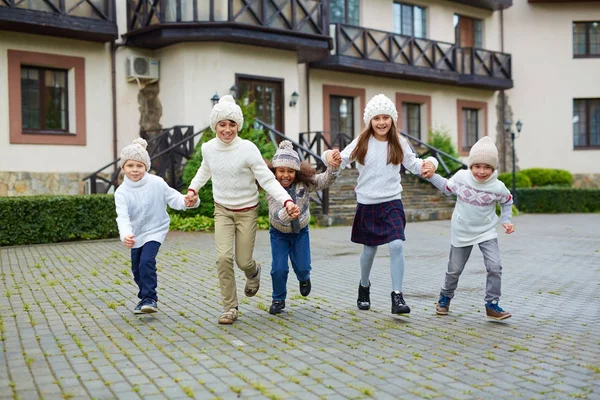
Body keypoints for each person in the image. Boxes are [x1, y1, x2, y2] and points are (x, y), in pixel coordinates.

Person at [184, 95, 299, 325]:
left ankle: (253, 272)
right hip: (222, 210)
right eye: (222, 124)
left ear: (238, 125)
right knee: (223, 258)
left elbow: (267, 179)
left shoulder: (248, 149)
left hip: (247, 211)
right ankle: (230, 307)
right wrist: (192, 189)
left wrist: (287, 201)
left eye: (232, 124)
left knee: (243, 261)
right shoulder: (208, 149)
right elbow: (204, 171)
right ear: (215, 126)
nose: (227, 129)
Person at [321, 94, 438, 315]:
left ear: (393, 119)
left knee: (396, 245)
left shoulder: (399, 142)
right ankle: (364, 286)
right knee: (369, 250)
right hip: (367, 204)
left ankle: (397, 296)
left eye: (386, 117)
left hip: (392, 202)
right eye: (377, 118)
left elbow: (415, 164)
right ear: (370, 121)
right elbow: (340, 160)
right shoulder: (362, 142)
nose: (381, 122)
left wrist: (432, 163)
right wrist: (329, 156)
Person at [428, 136, 514, 320]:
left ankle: (492, 304)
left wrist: (506, 219)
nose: (482, 172)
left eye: (487, 167)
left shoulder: (498, 187)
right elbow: (446, 187)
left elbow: (508, 200)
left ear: (493, 168)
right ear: (471, 166)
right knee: (455, 269)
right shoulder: (461, 178)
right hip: (462, 231)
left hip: (486, 231)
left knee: (495, 266)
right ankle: (445, 298)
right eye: (477, 166)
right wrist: (431, 175)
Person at [114, 138, 199, 314]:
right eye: (130, 166)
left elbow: (174, 198)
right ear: (123, 168)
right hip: (135, 234)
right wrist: (126, 235)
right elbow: (122, 217)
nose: (135, 170)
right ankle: (144, 296)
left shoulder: (157, 183)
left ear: (146, 167)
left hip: (156, 229)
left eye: (139, 166)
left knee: (146, 262)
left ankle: (150, 298)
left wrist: (189, 201)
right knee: (137, 269)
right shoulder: (121, 192)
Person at [266, 140, 342, 314]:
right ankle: (278, 299)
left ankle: (304, 278)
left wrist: (333, 167)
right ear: (274, 171)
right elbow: (274, 213)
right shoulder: (271, 186)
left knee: (302, 266)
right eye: (281, 170)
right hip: (279, 233)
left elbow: (324, 180)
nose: (285, 175)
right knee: (279, 268)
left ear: (297, 171)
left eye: (290, 171)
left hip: (300, 232)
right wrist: (288, 213)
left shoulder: (305, 183)